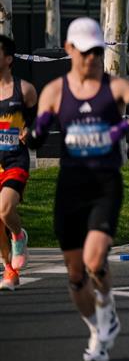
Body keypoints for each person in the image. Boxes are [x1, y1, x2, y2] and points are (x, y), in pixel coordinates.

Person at [26, 18, 129, 360]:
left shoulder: (114, 87)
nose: (91, 59)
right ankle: (98, 330)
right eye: (85, 52)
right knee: (75, 274)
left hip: (104, 185)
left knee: (94, 260)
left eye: (97, 52)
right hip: (71, 187)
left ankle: (105, 305)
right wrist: (35, 131)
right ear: (69, 49)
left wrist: (128, 124)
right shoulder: (55, 91)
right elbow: (37, 136)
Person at [0, 35, 37, 291]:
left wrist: (29, 132)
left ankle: (18, 235)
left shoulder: (25, 90)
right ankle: (9, 270)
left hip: (15, 160)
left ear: (8, 59)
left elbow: (38, 123)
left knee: (4, 210)